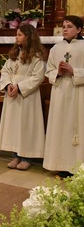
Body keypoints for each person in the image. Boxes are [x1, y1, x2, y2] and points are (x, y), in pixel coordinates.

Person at [0, 24, 46, 170]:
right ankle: (15, 156)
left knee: (26, 126)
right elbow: (5, 71)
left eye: (19, 34)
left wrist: (20, 87)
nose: (16, 37)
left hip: (27, 97)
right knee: (14, 126)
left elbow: (38, 77)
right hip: (13, 94)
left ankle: (26, 157)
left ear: (29, 36)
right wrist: (8, 85)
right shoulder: (14, 55)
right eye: (16, 34)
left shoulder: (37, 57)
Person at [43, 15, 84, 178]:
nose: (65, 29)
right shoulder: (56, 48)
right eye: (63, 26)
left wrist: (74, 71)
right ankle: (61, 164)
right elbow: (48, 71)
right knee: (60, 128)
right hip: (60, 94)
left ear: (79, 30)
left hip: (79, 93)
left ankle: (78, 167)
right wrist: (58, 72)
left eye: (69, 26)